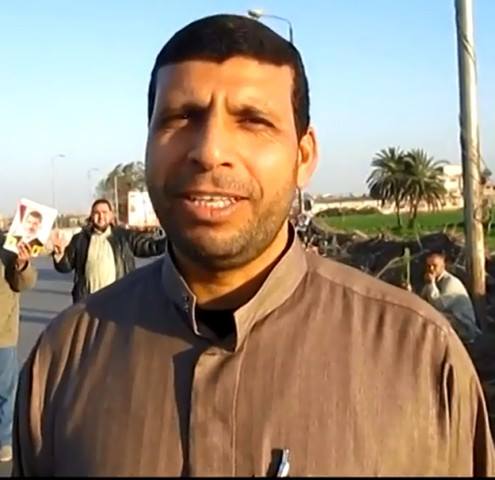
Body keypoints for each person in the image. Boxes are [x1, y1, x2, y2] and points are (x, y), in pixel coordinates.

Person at [13, 14, 494, 477]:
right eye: (182, 116)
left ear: (303, 156)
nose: (210, 151)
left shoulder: (421, 358)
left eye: (253, 121)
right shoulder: (64, 358)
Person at [51, 198, 166, 303]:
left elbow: (151, 247)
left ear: (111, 215)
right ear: (91, 216)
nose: (101, 216)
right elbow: (65, 267)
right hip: (88, 302)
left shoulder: (124, 237)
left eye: (104, 212)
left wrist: (171, 236)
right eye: (97, 213)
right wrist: (59, 253)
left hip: (119, 301)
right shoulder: (80, 239)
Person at [0, 238, 36, 463]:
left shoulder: (9, 249)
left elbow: (25, 283)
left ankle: (4, 439)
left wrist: (22, 265)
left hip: (2, 334)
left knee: (5, 389)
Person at [421, 251, 482, 344]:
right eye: (429, 266)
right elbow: (422, 301)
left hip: (464, 325)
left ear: (443, 266)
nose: (431, 269)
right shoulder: (433, 282)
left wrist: (431, 284)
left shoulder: (451, 282)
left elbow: (439, 305)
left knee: (434, 317)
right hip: (451, 321)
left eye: (434, 266)